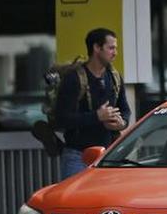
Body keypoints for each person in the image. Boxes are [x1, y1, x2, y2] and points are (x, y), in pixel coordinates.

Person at [54, 27, 131, 178]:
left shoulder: (115, 77)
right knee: (75, 201)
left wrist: (121, 123)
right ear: (97, 48)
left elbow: (126, 110)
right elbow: (62, 119)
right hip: (78, 156)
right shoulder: (74, 79)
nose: (115, 53)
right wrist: (97, 116)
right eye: (111, 48)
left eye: (115, 48)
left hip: (108, 156)